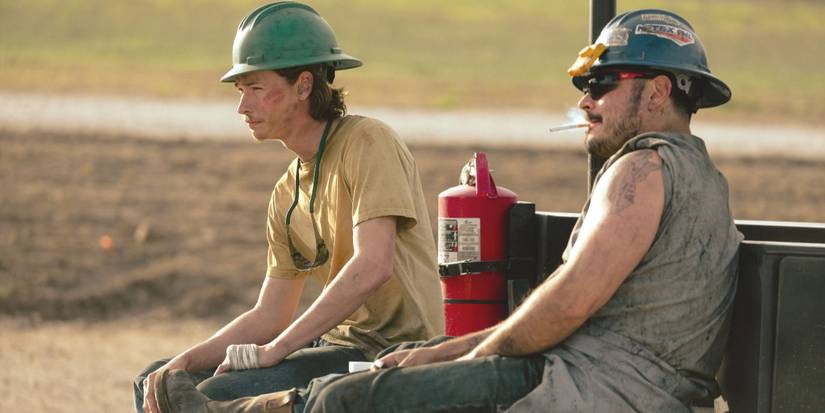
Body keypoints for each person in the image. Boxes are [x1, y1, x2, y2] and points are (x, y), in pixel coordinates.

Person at [151, 8, 743, 413]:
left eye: (605, 82)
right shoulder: (691, 173)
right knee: (370, 385)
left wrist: (469, 354)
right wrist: (446, 352)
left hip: (600, 389)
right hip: (594, 375)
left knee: (346, 400)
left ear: (660, 92)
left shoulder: (643, 169)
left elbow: (569, 303)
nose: (586, 100)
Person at [133, 2, 444, 413]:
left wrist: (276, 350)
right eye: (240, 91)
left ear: (303, 85)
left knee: (217, 396)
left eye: (256, 89)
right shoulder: (286, 192)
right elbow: (270, 313)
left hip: (390, 352)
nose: (242, 107)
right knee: (155, 381)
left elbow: (374, 266)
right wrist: (187, 360)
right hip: (329, 347)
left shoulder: (368, 142)